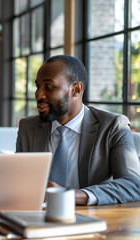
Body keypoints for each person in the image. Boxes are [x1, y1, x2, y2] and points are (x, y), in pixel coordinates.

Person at [16, 55, 140, 205]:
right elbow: (18, 181)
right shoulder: (28, 128)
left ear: (76, 89)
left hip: (94, 220)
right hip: (36, 218)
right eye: (38, 86)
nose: (38, 94)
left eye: (48, 87)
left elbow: (133, 184)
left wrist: (72, 196)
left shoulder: (113, 125)